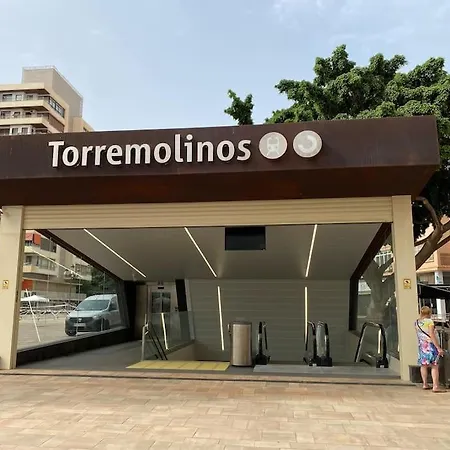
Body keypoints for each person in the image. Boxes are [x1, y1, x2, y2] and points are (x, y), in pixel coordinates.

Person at [415, 306, 445, 392]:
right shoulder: (429, 322)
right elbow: (431, 335)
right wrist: (438, 347)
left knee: (423, 365)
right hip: (430, 346)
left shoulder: (416, 322)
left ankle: (425, 384)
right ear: (429, 313)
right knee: (434, 365)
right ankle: (435, 386)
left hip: (422, 346)